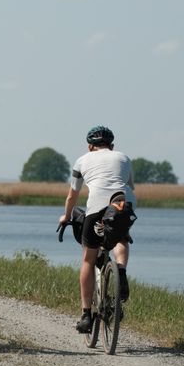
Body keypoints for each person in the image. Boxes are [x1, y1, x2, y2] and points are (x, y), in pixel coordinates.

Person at [59, 125, 136, 333]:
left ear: (89, 146)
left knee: (88, 258)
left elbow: (72, 196)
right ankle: (121, 270)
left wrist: (66, 216)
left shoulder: (82, 160)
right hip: (123, 205)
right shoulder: (124, 158)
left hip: (96, 208)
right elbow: (130, 186)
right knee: (121, 238)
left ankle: (86, 315)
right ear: (111, 146)